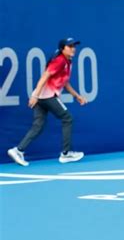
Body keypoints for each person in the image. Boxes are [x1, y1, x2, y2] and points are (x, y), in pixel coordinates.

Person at [7, 38, 88, 166]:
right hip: (47, 96)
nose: (73, 48)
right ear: (63, 49)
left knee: (38, 125)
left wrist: (77, 96)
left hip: (42, 97)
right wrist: (35, 95)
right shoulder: (60, 60)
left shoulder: (68, 62)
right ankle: (66, 153)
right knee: (67, 118)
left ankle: (18, 150)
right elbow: (44, 77)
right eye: (70, 46)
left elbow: (65, 82)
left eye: (74, 46)